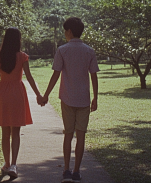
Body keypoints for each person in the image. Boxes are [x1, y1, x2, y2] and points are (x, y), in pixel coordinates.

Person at [40, 17, 100, 183]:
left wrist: (45, 95)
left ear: (70, 32)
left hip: (67, 98)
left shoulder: (62, 50)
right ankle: (77, 171)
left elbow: (55, 74)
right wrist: (96, 96)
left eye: (65, 31)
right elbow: (93, 75)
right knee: (81, 136)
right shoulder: (89, 50)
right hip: (84, 99)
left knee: (68, 134)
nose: (64, 33)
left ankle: (66, 169)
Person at [0, 27, 42, 178]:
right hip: (17, 94)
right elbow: (29, 77)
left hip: (2, 94)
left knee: (5, 132)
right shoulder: (22, 56)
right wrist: (38, 95)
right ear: (18, 40)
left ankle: (6, 164)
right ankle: (13, 164)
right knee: (16, 132)